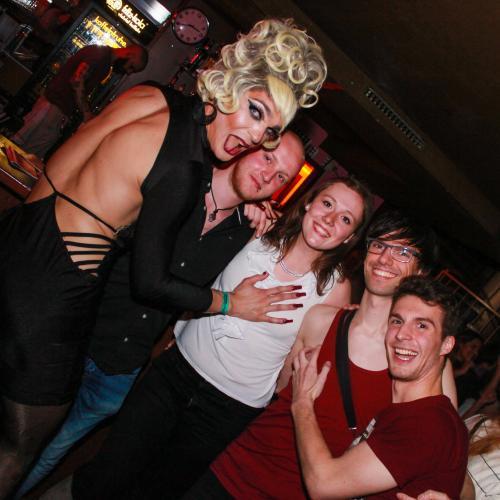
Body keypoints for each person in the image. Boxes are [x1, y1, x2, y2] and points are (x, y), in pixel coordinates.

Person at [0, 18, 327, 498]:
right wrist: (230, 304)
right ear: (232, 84)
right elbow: (150, 281)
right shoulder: (183, 166)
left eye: (268, 132)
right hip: (53, 293)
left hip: (18, 239)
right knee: (17, 449)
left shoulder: (150, 96)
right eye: (254, 111)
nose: (255, 136)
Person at [15, 130, 305, 498]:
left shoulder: (245, 234)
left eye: (280, 176)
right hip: (68, 342)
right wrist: (229, 302)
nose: (268, 175)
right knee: (17, 444)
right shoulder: (177, 179)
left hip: (118, 373)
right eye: (268, 158)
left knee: (45, 455)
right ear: (248, 147)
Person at [66, 175, 373, 499]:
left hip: (228, 409)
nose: (329, 219)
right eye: (327, 204)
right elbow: (201, 273)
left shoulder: (335, 290)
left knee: (156, 492)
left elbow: (297, 364)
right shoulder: (259, 231)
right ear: (309, 203)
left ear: (350, 237)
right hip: (175, 374)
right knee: (107, 472)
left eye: (345, 219)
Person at [184, 209, 459, 499]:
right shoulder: (321, 319)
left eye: (403, 252)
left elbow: (447, 458)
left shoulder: (422, 360)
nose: (385, 258)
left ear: (422, 271)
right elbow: (276, 388)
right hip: (234, 472)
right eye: (379, 244)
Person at [290, 275, 468, 498]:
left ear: (446, 344)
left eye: (422, 325)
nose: (402, 334)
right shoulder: (409, 411)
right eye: (397, 321)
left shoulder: (427, 424)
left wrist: (302, 404)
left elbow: (323, 484)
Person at [10, 43, 148, 159]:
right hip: (52, 108)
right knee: (21, 153)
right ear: (130, 54)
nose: (128, 72)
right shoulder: (100, 55)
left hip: (55, 110)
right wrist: (86, 113)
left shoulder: (104, 61)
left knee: (26, 154)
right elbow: (77, 80)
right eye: (131, 67)